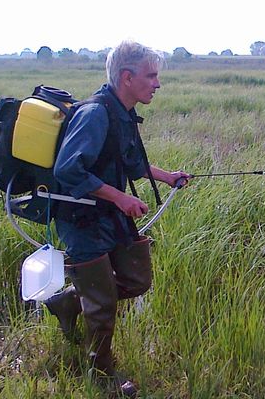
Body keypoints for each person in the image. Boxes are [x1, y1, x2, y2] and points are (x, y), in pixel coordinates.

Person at [44, 41, 189, 397]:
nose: (157, 84)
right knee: (103, 304)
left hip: (108, 216)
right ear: (127, 77)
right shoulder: (95, 114)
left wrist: (167, 176)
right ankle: (100, 375)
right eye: (151, 76)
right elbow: (67, 170)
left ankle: (68, 301)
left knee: (137, 279)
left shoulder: (122, 112)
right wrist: (121, 197)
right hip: (81, 220)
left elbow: (131, 163)